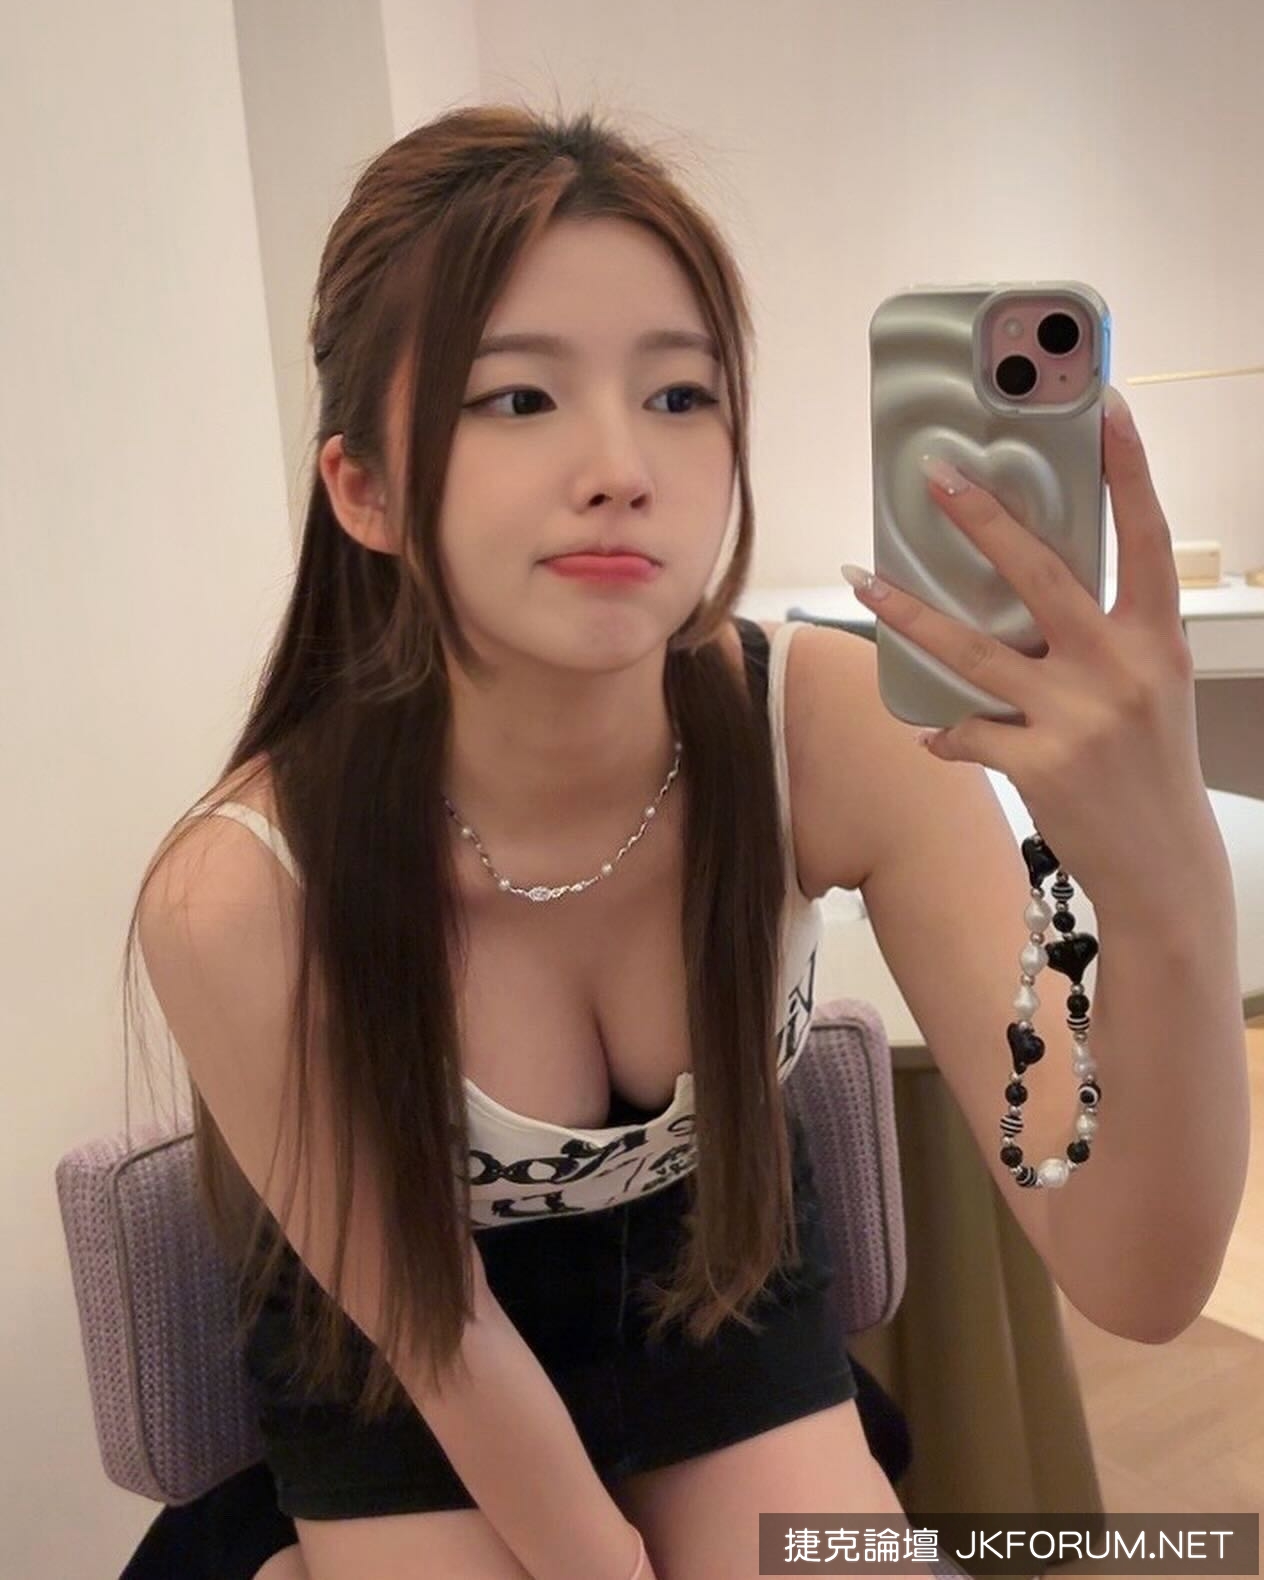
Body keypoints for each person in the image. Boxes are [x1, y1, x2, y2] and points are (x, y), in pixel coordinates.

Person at [124, 103, 922, 1580]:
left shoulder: (816, 721)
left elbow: (1104, 1201)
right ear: (365, 489)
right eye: (517, 398)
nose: (621, 466)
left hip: (713, 1289)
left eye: (679, 394)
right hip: (410, 1358)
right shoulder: (236, 894)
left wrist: (1132, 824)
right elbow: (439, 1332)